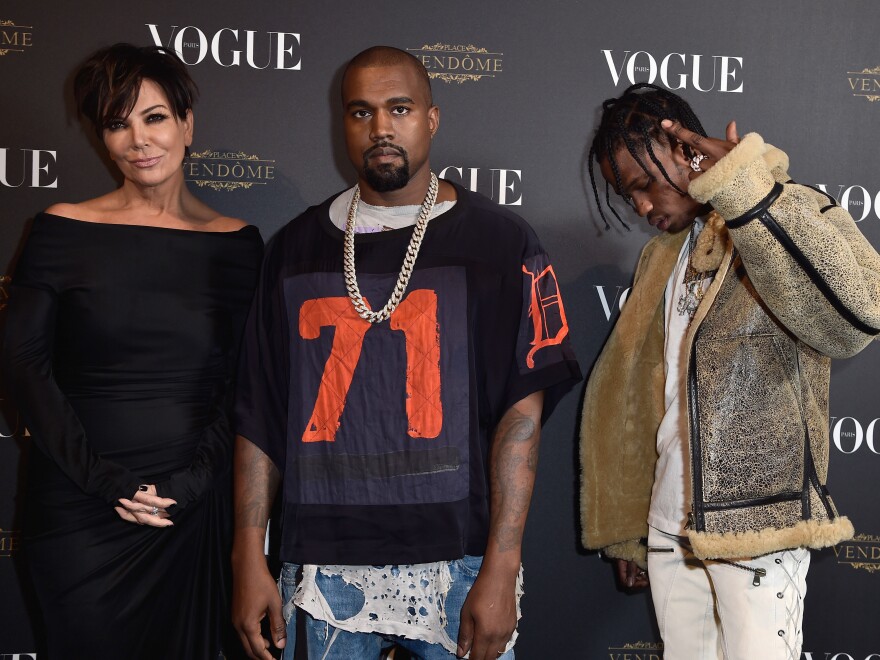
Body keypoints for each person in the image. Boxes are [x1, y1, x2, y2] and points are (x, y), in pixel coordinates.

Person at [231, 46, 580, 660]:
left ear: (433, 118)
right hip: (322, 558)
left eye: (400, 108)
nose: (381, 128)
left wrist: (501, 565)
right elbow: (259, 412)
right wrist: (248, 553)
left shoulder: (499, 243)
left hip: (459, 559)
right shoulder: (295, 249)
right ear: (342, 122)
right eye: (361, 112)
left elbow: (520, 416)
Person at [579, 82, 880, 659]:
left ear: (686, 149)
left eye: (644, 184)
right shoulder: (663, 257)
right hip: (672, 524)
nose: (641, 208)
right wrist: (629, 523)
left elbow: (856, 316)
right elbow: (642, 392)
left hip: (757, 526)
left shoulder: (786, 209)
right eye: (627, 196)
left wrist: (749, 192)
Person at [1, 43, 262, 659]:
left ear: (187, 123)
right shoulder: (61, 229)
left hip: (189, 509)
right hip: (77, 510)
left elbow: (246, 384)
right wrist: (104, 480)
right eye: (117, 123)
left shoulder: (238, 246)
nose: (138, 140)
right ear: (101, 135)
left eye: (155, 117)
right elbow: (23, 368)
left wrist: (193, 484)